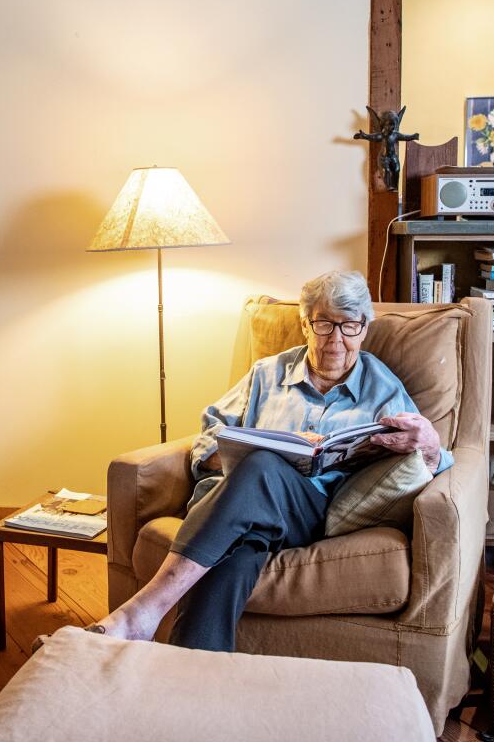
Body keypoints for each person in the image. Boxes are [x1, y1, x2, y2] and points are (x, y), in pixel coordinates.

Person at [92, 270, 452, 650]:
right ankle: (193, 678)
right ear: (305, 324)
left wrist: (429, 445)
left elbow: (433, 460)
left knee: (262, 466)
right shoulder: (266, 374)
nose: (336, 339)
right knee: (238, 550)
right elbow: (207, 442)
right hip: (239, 511)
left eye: (349, 326)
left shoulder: (382, 388)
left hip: (311, 514)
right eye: (324, 324)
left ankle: (143, 610)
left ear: (364, 329)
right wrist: (230, 457)